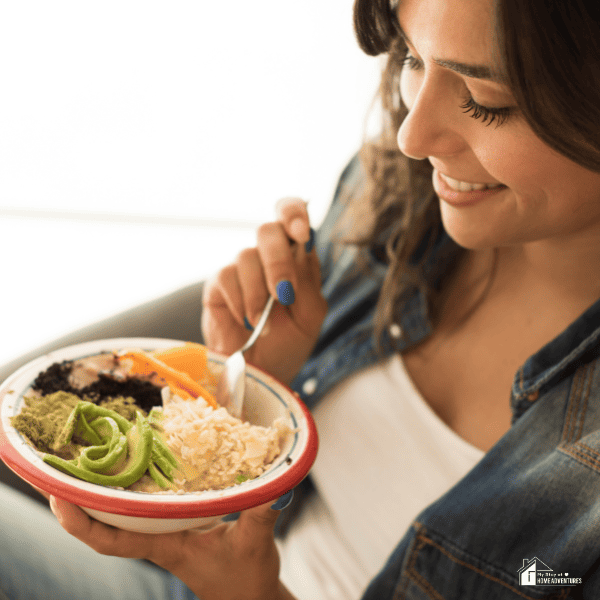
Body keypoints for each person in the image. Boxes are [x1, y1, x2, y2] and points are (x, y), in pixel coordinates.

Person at [3, 0, 600, 597]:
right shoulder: (398, 197)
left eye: (486, 101)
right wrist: (260, 385)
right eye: (412, 58)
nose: (411, 135)